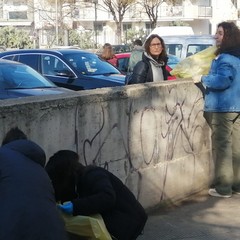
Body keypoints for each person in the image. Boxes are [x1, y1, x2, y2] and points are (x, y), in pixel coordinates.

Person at [45, 150, 148, 240]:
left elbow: (107, 197)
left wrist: (75, 206)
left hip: (128, 219)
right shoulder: (74, 183)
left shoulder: (93, 174)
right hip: (117, 219)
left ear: (64, 175)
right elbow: (62, 194)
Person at [193, 22, 240, 198]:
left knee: (222, 147)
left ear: (228, 36)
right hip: (236, 106)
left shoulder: (225, 58)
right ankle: (236, 185)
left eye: (220, 33)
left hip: (223, 107)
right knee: (236, 146)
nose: (216, 36)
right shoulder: (237, 57)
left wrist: (202, 78)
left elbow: (223, 80)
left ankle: (223, 188)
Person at [0, 127, 68, 240]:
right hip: (55, 233)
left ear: (5, 144)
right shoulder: (40, 170)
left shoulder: (2, 155)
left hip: (13, 232)